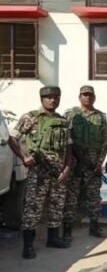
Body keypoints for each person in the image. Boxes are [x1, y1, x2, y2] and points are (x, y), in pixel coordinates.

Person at [13, 86, 72, 259]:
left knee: (56, 206)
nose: (53, 100)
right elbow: (12, 138)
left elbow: (69, 147)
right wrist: (24, 157)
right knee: (33, 208)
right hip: (38, 172)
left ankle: (53, 239)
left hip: (58, 173)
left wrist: (67, 168)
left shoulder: (63, 121)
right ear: (42, 99)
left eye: (56, 97)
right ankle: (28, 245)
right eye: (49, 97)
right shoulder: (30, 117)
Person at [63, 85, 107, 243]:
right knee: (71, 196)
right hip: (75, 162)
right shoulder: (70, 114)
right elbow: (65, 138)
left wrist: (100, 162)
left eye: (90, 95)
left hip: (93, 163)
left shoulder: (100, 117)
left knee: (94, 196)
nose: (87, 97)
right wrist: (68, 161)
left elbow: (104, 141)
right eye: (84, 95)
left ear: (94, 97)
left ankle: (94, 227)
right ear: (79, 97)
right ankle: (67, 229)